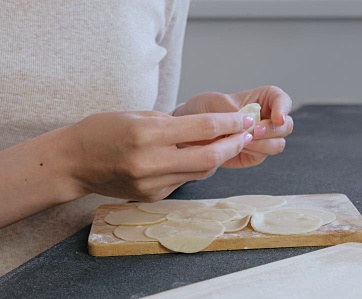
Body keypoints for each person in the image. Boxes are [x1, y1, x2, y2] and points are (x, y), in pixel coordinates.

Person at [0, 0, 293, 275]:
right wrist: (69, 165)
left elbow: (144, 126)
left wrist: (184, 135)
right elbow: (89, 156)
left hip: (115, 274)